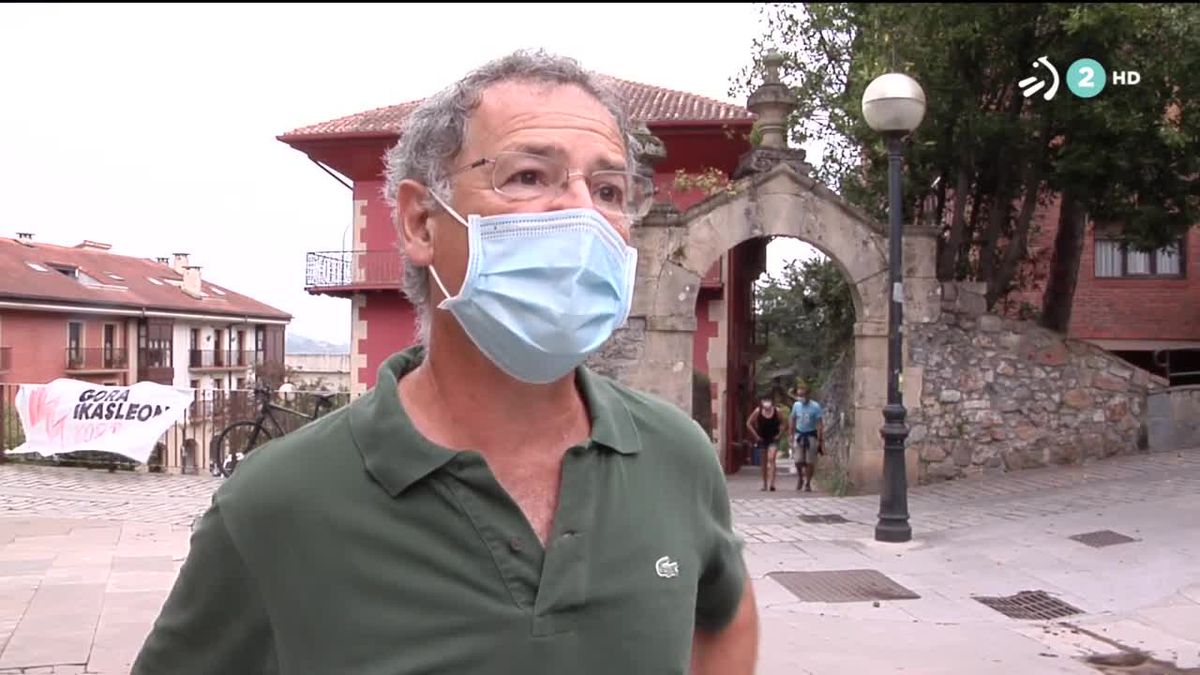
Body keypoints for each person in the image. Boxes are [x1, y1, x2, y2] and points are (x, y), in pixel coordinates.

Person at [132, 50, 758, 675]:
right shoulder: (276, 504)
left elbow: (726, 616)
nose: (582, 213)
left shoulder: (677, 455)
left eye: (610, 189)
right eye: (529, 176)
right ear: (421, 222)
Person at [788, 382, 824, 492]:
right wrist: (791, 434)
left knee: (810, 461)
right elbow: (793, 419)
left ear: (808, 395)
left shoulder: (815, 407)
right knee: (798, 460)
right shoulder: (796, 405)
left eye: (802, 395)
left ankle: (808, 482)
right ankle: (800, 478)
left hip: (811, 435)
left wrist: (820, 438)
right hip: (799, 434)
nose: (800, 397)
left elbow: (819, 423)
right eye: (799, 395)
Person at [745, 395, 782, 491]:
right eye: (765, 400)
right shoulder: (758, 412)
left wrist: (779, 434)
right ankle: (764, 484)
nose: (767, 402)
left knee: (772, 458)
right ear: (761, 402)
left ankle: (772, 484)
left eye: (768, 400)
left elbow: (785, 423)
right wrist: (756, 436)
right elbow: (748, 423)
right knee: (764, 462)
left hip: (773, 438)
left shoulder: (777, 411)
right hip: (762, 439)